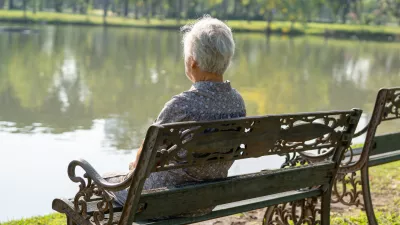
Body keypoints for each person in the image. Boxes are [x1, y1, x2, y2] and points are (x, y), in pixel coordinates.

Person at [104, 15, 246, 216]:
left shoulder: (182, 105)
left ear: (192, 62)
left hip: (164, 201)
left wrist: (133, 165)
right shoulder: (237, 101)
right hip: (208, 199)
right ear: (227, 59)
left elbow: (144, 158)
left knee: (103, 179)